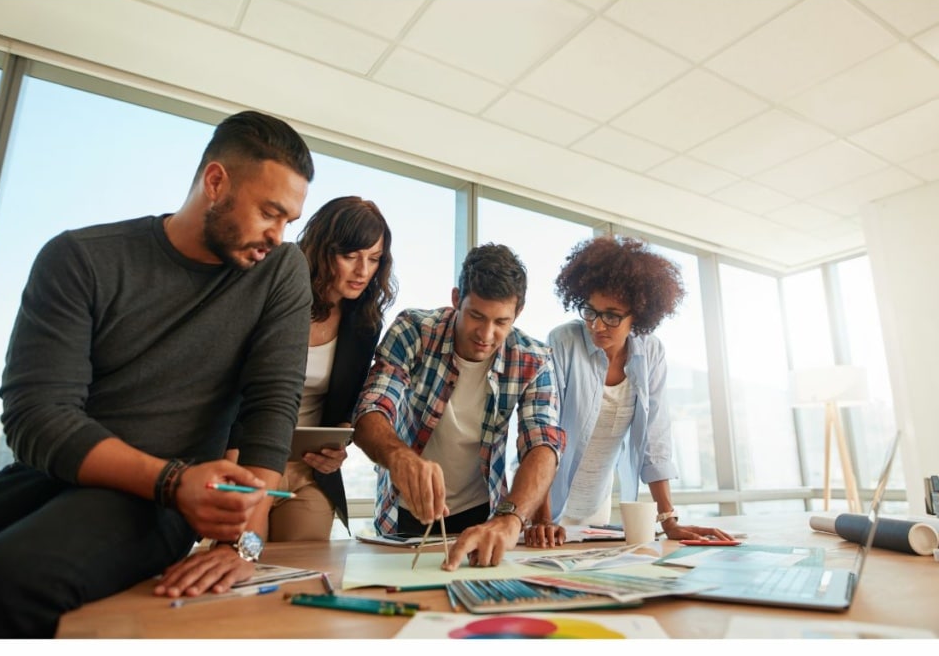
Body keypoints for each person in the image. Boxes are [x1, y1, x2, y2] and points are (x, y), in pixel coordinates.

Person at [0, 110, 315, 638]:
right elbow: (37, 416)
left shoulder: (279, 272)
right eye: (269, 212)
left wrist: (240, 543)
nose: (277, 235)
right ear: (216, 182)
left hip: (162, 502)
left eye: (288, 221)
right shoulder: (78, 258)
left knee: (2, 583)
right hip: (67, 474)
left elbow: (271, 405)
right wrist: (173, 480)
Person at [353, 243, 565, 571]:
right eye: (476, 316)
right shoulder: (414, 330)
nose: (486, 334)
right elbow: (371, 410)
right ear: (456, 299)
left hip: (483, 516)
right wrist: (400, 458)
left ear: (518, 313)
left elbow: (543, 444)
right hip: (404, 513)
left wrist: (511, 520)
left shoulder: (534, 359)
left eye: (501, 321)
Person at [525, 235, 733, 548]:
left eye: (612, 315)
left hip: (596, 506)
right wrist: (541, 519)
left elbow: (655, 437)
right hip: (545, 506)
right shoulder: (563, 342)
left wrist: (669, 520)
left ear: (638, 314)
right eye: (590, 311)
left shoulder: (650, 353)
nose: (597, 326)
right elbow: (544, 430)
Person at [265, 196, 396, 540]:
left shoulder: (364, 323)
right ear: (322, 250)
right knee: (239, 568)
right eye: (350, 256)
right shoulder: (276, 297)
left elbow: (344, 408)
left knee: (304, 573)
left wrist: (337, 448)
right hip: (249, 459)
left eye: (374, 259)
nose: (363, 271)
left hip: (310, 470)